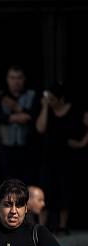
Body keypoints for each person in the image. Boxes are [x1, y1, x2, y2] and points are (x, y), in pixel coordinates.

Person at [35, 84, 88, 233]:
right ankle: (42, 226)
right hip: (47, 157)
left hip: (67, 158)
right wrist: (45, 107)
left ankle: (63, 225)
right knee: (45, 190)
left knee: (65, 190)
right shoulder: (47, 110)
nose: (49, 101)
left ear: (61, 99)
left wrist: (81, 143)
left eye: (52, 99)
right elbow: (40, 128)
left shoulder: (74, 111)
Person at [0, 66, 39, 184]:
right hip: (6, 147)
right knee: (9, 182)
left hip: (27, 147)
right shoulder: (0, 96)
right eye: (12, 78)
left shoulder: (32, 95)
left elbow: (34, 115)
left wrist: (17, 108)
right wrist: (14, 117)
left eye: (19, 78)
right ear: (7, 79)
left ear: (24, 79)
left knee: (28, 181)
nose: (16, 81)